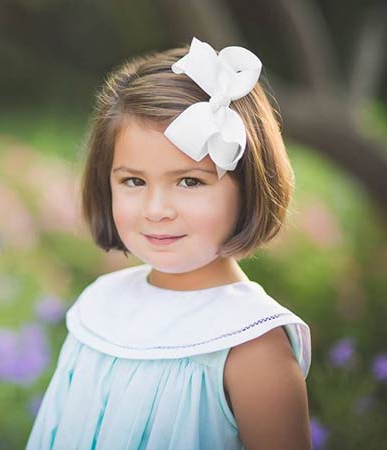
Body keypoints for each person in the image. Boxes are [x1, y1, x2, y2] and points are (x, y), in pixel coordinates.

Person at [25, 36, 313, 450]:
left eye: (190, 181)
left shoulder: (251, 346)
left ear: (248, 186)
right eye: (134, 181)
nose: (156, 209)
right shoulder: (97, 310)